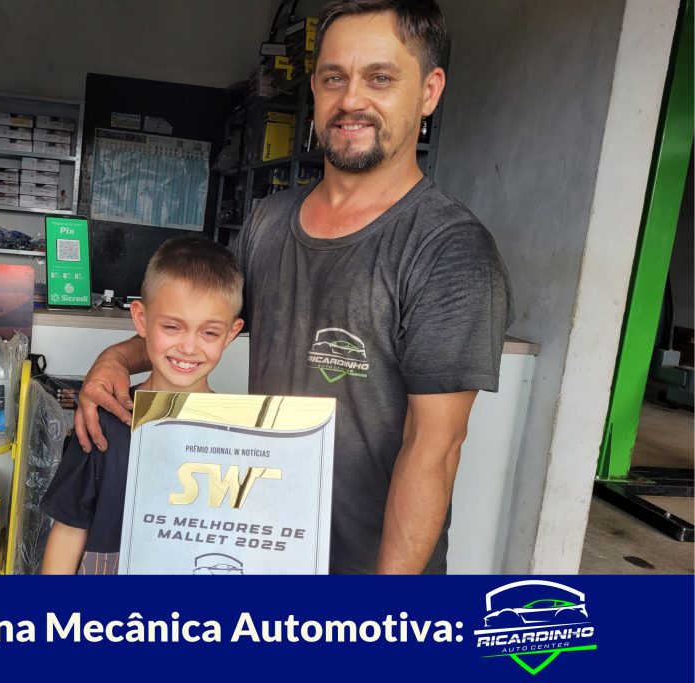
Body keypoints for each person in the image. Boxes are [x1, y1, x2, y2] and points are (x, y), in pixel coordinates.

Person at [74, 0, 513, 574]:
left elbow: (435, 450)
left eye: (380, 78)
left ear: (429, 91)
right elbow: (205, 321)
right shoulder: (270, 221)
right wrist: (116, 358)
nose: (351, 100)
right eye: (334, 78)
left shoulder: (449, 249)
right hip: (261, 551)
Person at [40, 236, 245, 574]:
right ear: (140, 319)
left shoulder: (242, 435)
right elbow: (70, 529)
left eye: (209, 332)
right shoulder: (102, 422)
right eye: (172, 327)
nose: (189, 347)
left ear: (231, 334)